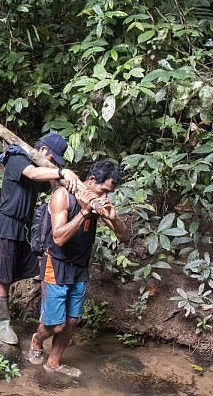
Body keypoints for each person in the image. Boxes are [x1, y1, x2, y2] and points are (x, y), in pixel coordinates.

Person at [27, 160, 129, 377]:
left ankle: (53, 363)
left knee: (72, 321)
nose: (104, 197)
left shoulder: (98, 202)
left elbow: (124, 236)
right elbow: (59, 237)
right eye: (103, 190)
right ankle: (36, 341)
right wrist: (84, 212)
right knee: (57, 325)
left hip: (80, 268)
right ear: (91, 180)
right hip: (56, 264)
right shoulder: (63, 196)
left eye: (108, 194)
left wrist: (114, 218)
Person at [0, 133, 81, 345]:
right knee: (6, 279)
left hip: (23, 228)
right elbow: (34, 174)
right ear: (44, 151)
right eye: (53, 159)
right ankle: (2, 323)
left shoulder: (38, 169)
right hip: (8, 225)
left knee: (33, 270)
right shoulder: (18, 159)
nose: (52, 163)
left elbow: (48, 182)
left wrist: (65, 179)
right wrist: (62, 171)